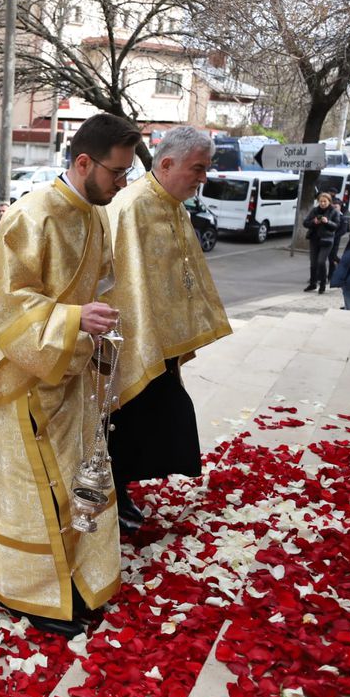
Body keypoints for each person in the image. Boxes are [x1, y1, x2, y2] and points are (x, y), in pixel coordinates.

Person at [0, 112, 138, 640]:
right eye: (117, 173)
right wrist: (77, 318)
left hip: (71, 370)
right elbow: (7, 305)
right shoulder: (30, 217)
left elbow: (92, 284)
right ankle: (26, 588)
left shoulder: (96, 213)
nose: (122, 183)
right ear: (84, 162)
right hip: (28, 379)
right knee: (35, 491)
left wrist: (94, 322)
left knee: (73, 484)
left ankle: (72, 577)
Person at [103, 126, 232, 532]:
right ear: (167, 162)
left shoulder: (175, 206)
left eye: (206, 169)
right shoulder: (129, 206)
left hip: (162, 341)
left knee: (152, 418)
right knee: (125, 421)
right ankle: (112, 494)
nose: (202, 178)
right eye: (198, 168)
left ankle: (122, 489)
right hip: (130, 340)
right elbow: (113, 281)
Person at [303, 192, 341, 294]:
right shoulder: (315, 211)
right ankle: (313, 283)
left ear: (329, 202)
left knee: (321, 262)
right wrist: (314, 222)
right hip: (314, 239)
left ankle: (323, 284)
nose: (323, 203)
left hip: (327, 240)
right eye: (320, 201)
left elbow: (337, 225)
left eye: (325, 201)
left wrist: (327, 221)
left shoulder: (334, 211)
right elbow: (305, 223)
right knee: (313, 262)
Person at [328, 199, 350, 275]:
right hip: (326, 240)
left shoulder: (343, 218)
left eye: (336, 207)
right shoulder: (328, 216)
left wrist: (333, 236)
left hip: (335, 241)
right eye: (332, 207)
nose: (334, 209)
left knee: (332, 257)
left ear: (340, 207)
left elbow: (343, 231)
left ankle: (331, 275)